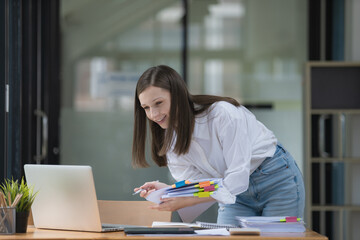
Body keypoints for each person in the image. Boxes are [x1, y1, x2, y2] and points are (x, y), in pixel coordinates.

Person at [132, 65, 305, 226]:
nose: (153, 114)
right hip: (233, 194)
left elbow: (237, 177)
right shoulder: (171, 142)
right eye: (146, 108)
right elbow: (206, 184)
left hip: (274, 179)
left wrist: (190, 199)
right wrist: (170, 191)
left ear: (177, 95)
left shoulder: (222, 114)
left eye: (159, 103)